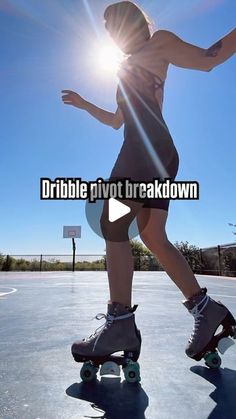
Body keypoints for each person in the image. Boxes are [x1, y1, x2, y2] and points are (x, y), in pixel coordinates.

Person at [62, 1, 236, 365]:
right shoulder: (123, 67)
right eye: (108, 29)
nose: (112, 33)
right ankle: (207, 310)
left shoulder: (159, 43)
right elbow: (115, 121)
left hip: (146, 147)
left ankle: (120, 323)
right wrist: (83, 104)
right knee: (154, 236)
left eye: (115, 25)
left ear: (135, 24)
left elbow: (208, 59)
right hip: (158, 152)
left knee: (113, 223)